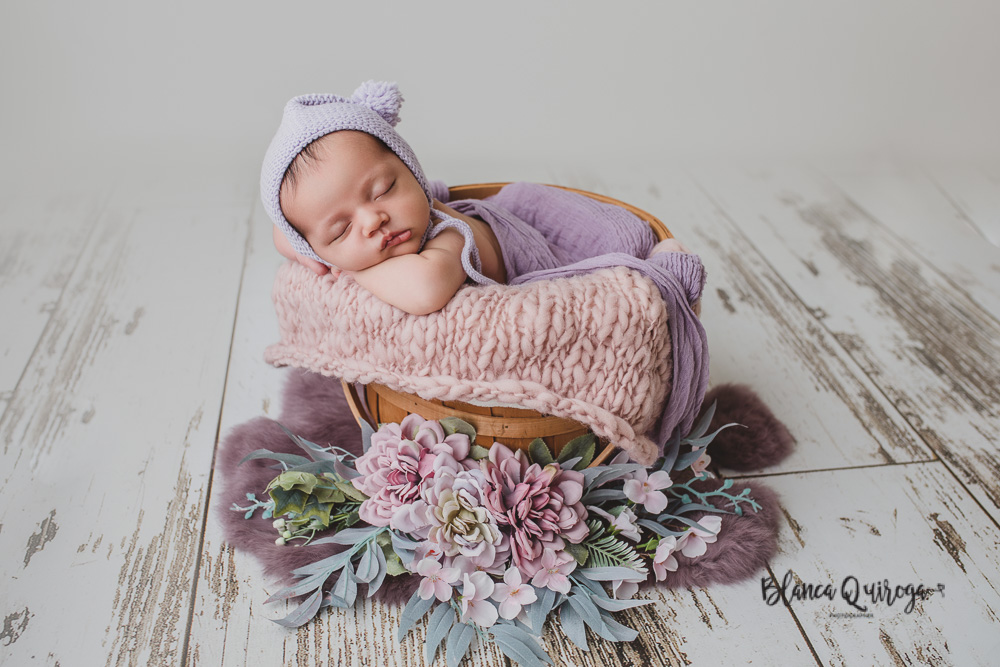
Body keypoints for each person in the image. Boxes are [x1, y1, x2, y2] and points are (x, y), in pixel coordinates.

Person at [261, 81, 694, 316]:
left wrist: (343, 264)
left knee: (619, 286)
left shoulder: (443, 236)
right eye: (341, 229)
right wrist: (300, 247)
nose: (373, 219)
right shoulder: (374, 234)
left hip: (544, 264)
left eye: (384, 190)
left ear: (413, 171)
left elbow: (425, 290)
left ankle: (658, 271)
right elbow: (291, 237)